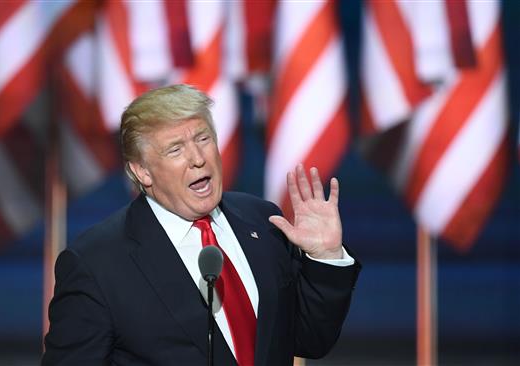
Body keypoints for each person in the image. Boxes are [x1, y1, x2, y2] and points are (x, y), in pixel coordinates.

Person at [42, 84, 360, 365]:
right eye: (175, 149)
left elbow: (310, 339)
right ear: (142, 172)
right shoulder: (98, 264)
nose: (198, 158)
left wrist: (325, 256)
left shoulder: (262, 222)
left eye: (203, 138)